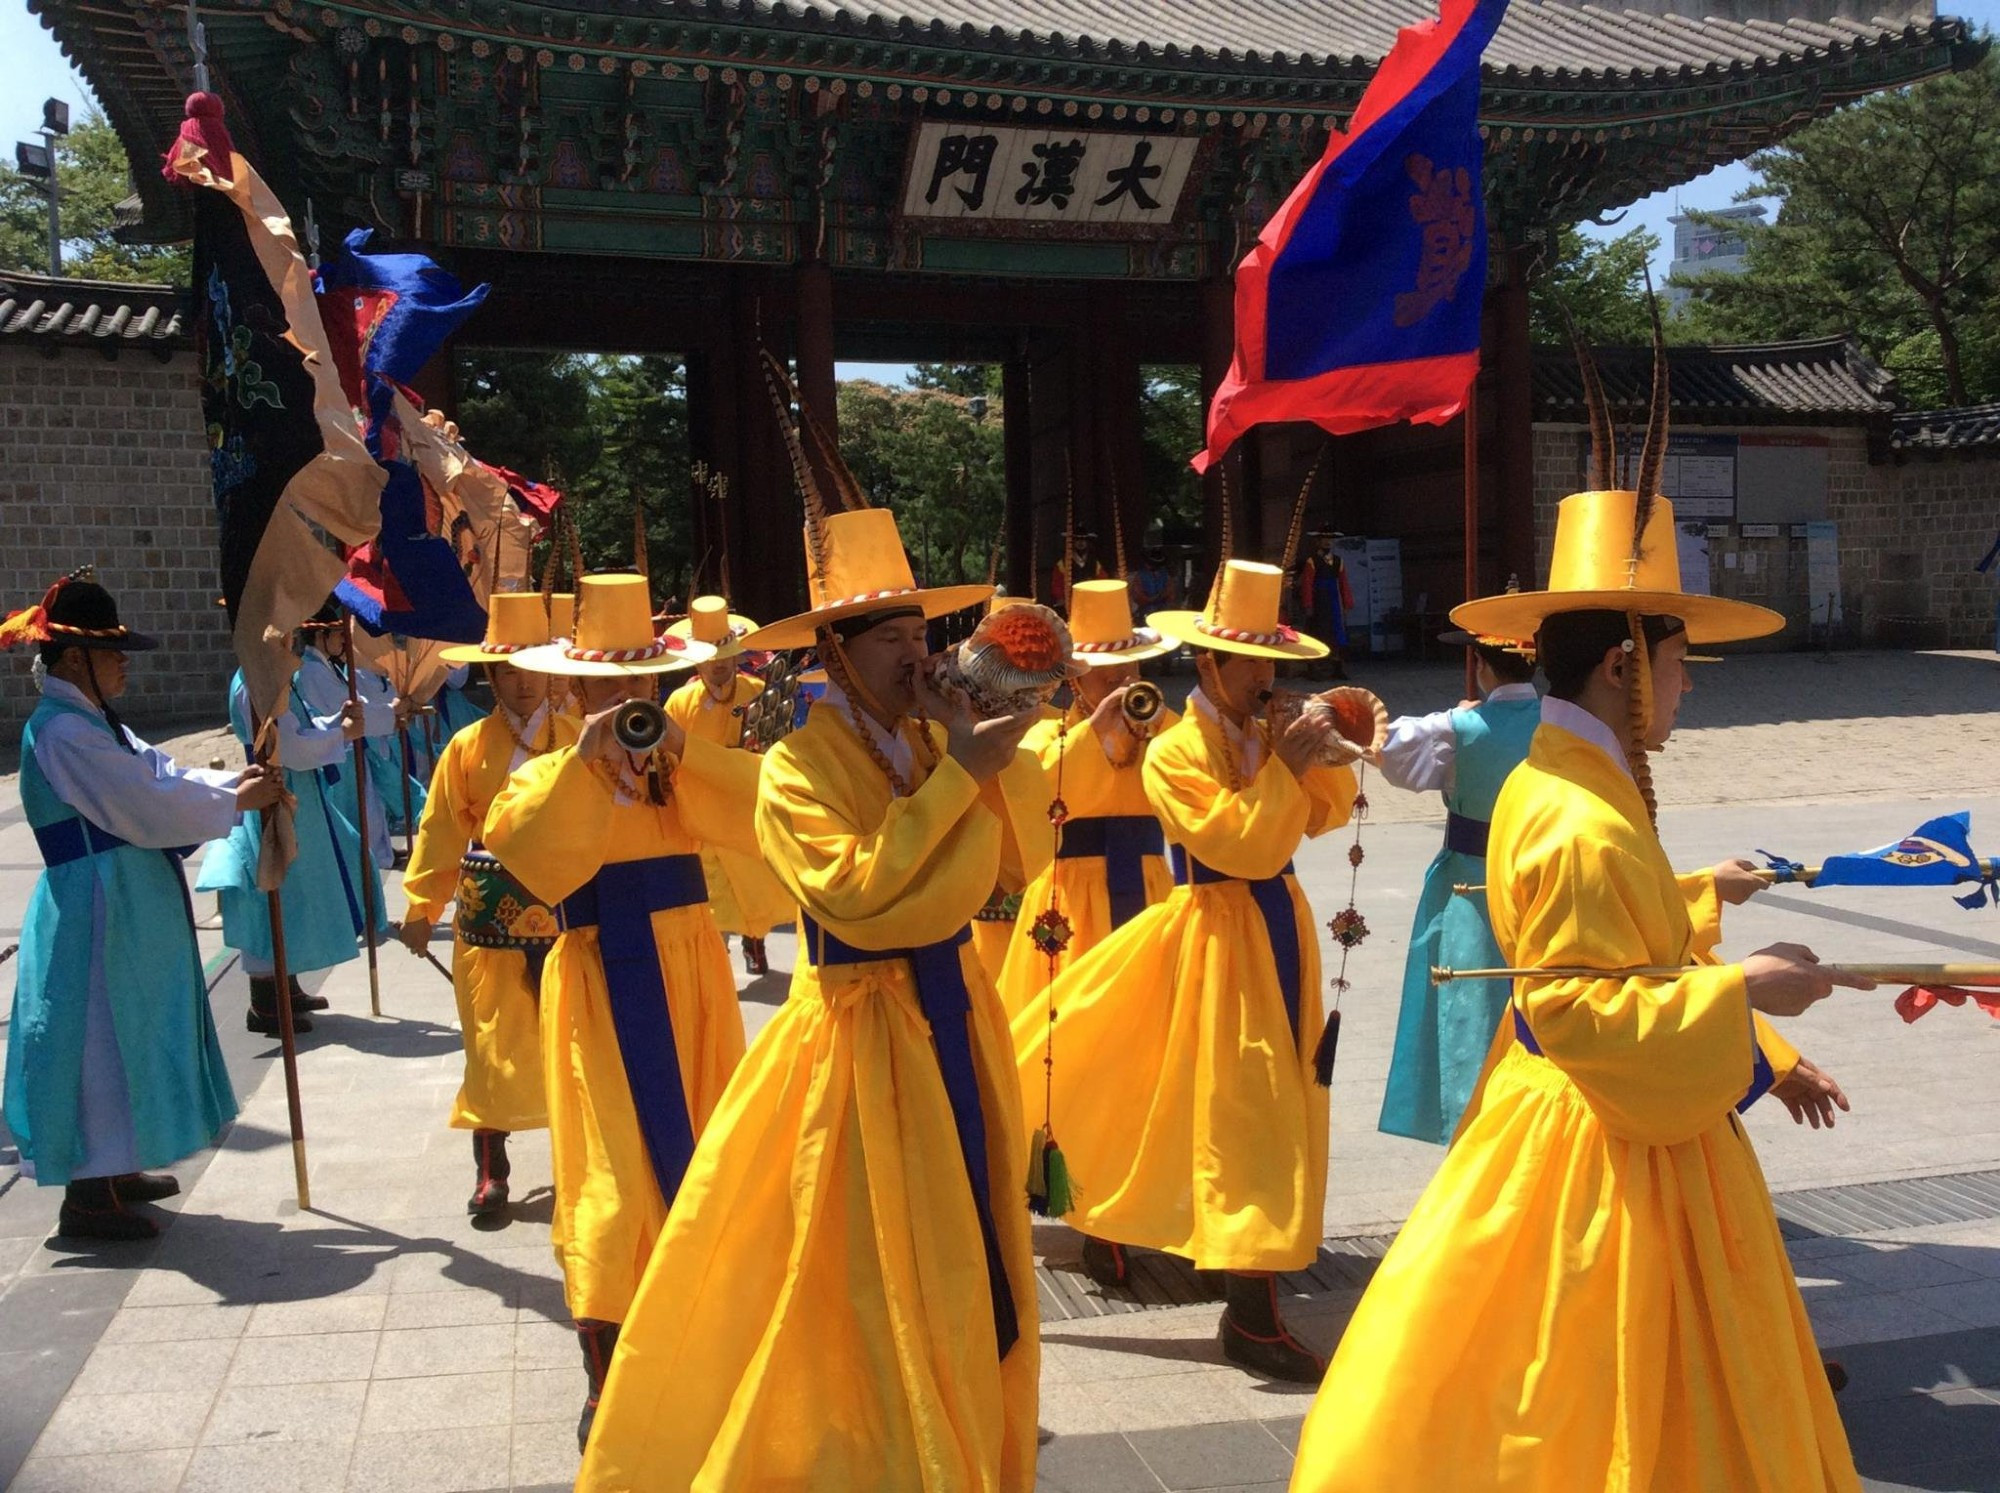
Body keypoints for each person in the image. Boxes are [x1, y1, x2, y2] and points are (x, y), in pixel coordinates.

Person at [1290, 484, 1868, 1492]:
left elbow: (1611, 937)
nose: (1687, 686)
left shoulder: (1567, 775)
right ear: (1619, 668)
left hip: (1597, 1118)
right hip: (1601, 1140)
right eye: (1679, 663)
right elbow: (1578, 1008)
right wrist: (1739, 994)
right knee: (1598, 1379)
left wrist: (1697, 901)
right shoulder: (1574, 812)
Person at [578, 495, 1049, 1488]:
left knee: (965, 1250)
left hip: (949, 1021)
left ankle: (958, 1429)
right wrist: (962, 773)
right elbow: (863, 897)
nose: (916, 656)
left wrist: (982, 758)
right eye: (891, 637)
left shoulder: (924, 743)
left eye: (923, 633)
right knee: (863, 1272)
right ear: (833, 652)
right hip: (856, 1039)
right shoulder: (795, 765)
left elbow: (1010, 874)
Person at [1014, 558, 1358, 1383]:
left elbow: (1322, 816)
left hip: (1277, 927)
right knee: (1240, 1106)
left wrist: (1315, 752)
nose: (1267, 682)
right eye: (1253, 667)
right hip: (1216, 934)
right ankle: (1248, 1309)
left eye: (1276, 667)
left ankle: (1239, 1268)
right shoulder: (1175, 749)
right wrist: (1283, 766)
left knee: (1267, 1104)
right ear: (1209, 663)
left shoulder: (1248, 731)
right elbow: (1239, 843)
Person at [481, 573, 756, 1451]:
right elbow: (525, 851)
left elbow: (761, 809)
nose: (623, 707)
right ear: (571, 688)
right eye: (604, 690)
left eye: (637, 690)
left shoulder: (678, 759)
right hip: (599, 981)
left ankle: (706, 1338)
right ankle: (607, 1373)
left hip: (692, 976)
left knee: (710, 1153)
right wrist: (588, 766)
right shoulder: (541, 775)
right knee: (607, 1183)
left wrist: (681, 743)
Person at [0, 571, 276, 1241]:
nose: (124, 662)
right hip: (95, 908)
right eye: (112, 651)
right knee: (99, 1037)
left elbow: (159, 773)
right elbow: (138, 798)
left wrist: (226, 781)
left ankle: (116, 1165)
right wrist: (234, 799)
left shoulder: (90, 721)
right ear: (74, 659)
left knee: (130, 1030)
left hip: (120, 899)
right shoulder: (63, 731)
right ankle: (90, 1192)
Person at [398, 594, 577, 1217]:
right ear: (492, 677)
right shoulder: (467, 748)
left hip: (568, 914)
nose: (523, 683)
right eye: (509, 671)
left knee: (575, 1038)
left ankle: (582, 1163)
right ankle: (491, 1169)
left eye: (534, 669)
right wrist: (423, 905)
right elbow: (441, 828)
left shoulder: (583, 740)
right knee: (491, 1045)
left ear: (553, 672)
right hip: (489, 920)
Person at [1374, 628, 1541, 1144]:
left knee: (1474, 1007)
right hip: (1539, 876)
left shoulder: (1460, 727)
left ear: (1483, 668)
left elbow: (1388, 751)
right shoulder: (1562, 723)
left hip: (1474, 883)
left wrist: (1462, 719)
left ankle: (1474, 1131)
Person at [996, 578, 1181, 1018]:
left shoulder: (1163, 727)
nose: (1122, 680)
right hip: (1069, 901)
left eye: (1131, 668)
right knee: (1065, 1021)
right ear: (1076, 679)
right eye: (1106, 671)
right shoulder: (1046, 733)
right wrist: (1095, 730)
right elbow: (1039, 800)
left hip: (1149, 886)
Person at [197, 607, 386, 1035]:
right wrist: (341, 735)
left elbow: (301, 727)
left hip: (297, 796)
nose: (291, 644)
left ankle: (288, 983)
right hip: (274, 795)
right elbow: (292, 749)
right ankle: (266, 1000)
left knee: (296, 894)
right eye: (284, 638)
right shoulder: (255, 685)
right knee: (274, 889)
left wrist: (335, 723)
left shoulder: (274, 680)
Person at [663, 595, 793, 976]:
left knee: (756, 887)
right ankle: (717, 960)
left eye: (724, 656)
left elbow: (777, 746)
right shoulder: (680, 701)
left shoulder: (758, 693)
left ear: (736, 656)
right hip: (700, 814)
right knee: (711, 896)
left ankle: (756, 939)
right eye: (709, 657)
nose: (718, 666)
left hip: (744, 809)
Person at [1296, 533, 1352, 679]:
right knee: (1318, 631)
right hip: (1318, 600)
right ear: (1318, 542)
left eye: (1330, 539)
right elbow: (1307, 584)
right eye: (1324, 539)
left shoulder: (1338, 561)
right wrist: (1308, 604)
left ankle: (1337, 666)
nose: (1328, 542)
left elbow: (1343, 582)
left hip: (1334, 600)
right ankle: (1315, 667)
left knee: (1336, 632)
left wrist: (1347, 602)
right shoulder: (1312, 561)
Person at [1130, 545, 1179, 614]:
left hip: (1163, 607)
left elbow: (1170, 590)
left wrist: (1165, 598)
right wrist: (1150, 599)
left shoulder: (1164, 573)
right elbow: (1137, 595)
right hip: (1146, 608)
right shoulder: (1141, 575)